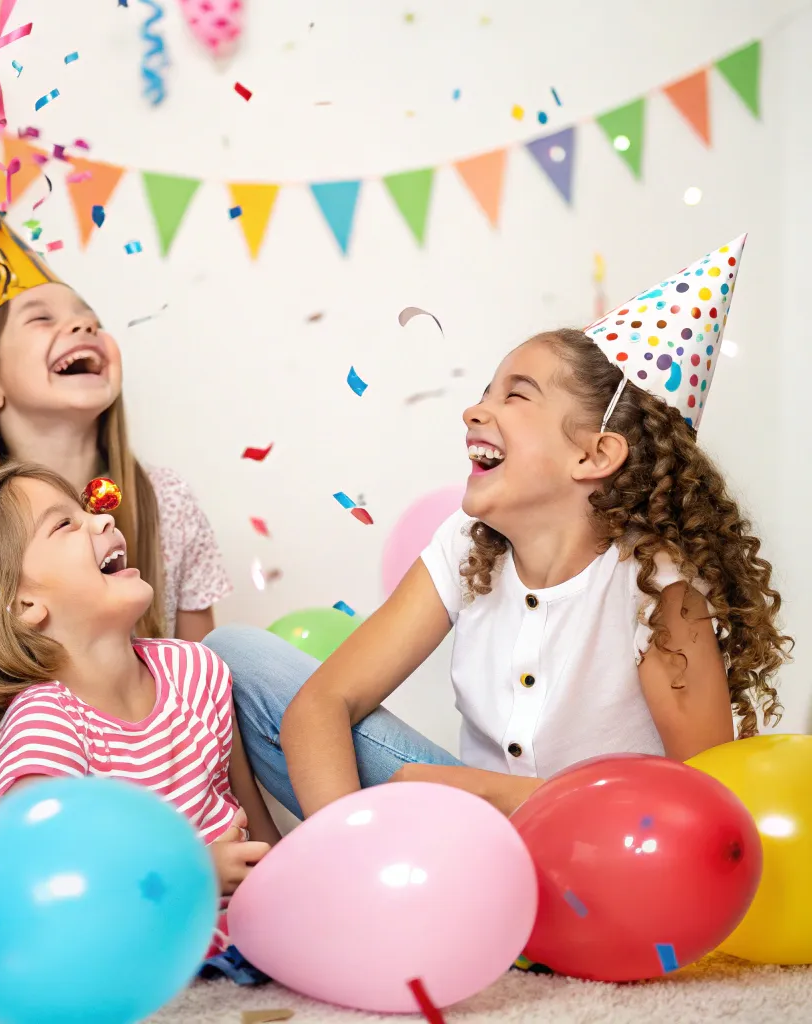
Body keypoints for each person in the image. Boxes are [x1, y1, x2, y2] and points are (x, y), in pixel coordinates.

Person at [206, 235, 792, 823]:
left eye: (516, 395)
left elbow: (704, 808)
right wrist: (348, 848)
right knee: (236, 658)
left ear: (593, 456)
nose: (475, 409)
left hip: (603, 855)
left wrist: (492, 793)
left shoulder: (656, 587)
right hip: (474, 842)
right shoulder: (466, 545)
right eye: (486, 391)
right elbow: (323, 702)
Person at [0, 429, 278, 937]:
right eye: (66, 524)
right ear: (23, 606)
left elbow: (259, 828)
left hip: (252, 935)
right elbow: (44, 889)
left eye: (88, 510)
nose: (105, 518)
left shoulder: (199, 671)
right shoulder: (43, 727)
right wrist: (190, 875)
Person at [0, 153, 232, 851]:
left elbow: (212, 686)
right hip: (16, 810)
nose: (83, 328)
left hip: (164, 789)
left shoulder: (164, 500)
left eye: (91, 318)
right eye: (40, 318)